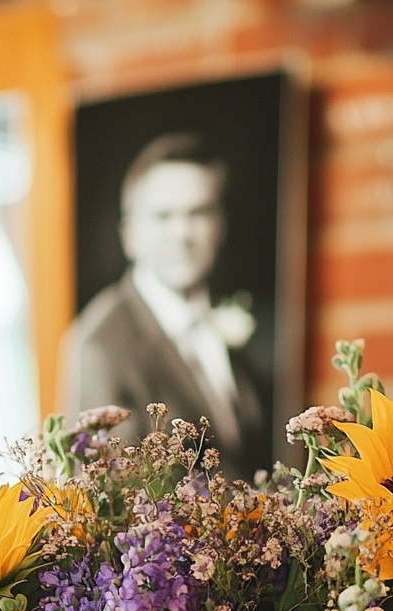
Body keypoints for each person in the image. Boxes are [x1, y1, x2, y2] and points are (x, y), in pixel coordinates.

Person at [61, 133, 269, 479]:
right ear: (129, 234)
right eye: (162, 216)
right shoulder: (100, 345)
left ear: (220, 226)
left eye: (198, 212)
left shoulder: (228, 317)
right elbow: (110, 497)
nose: (182, 233)